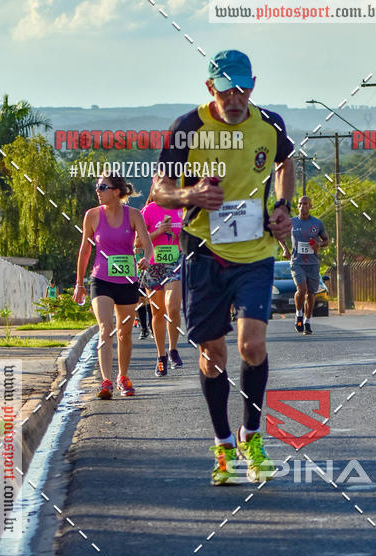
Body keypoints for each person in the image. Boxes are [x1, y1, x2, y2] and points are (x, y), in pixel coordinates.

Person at [154, 49, 294, 484]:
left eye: (243, 88)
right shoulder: (188, 128)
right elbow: (158, 190)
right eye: (226, 89)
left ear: (253, 85)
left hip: (256, 251)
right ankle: (223, 445)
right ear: (210, 87)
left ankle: (252, 436)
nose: (236, 98)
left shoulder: (269, 123)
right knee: (212, 353)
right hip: (204, 251)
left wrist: (282, 205)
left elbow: (286, 162)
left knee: (252, 344)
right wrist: (189, 196)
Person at [73, 176, 152, 398]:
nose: (97, 191)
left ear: (116, 191)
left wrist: (146, 258)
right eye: (97, 187)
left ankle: (123, 377)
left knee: (124, 334)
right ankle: (106, 381)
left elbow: (147, 245)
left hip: (127, 281)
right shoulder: (92, 215)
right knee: (105, 328)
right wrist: (79, 283)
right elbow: (85, 251)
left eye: (102, 187)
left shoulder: (134, 215)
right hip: (101, 280)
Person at [140, 182, 184, 375]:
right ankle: (161, 356)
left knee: (173, 307)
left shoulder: (181, 208)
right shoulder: (148, 211)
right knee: (158, 312)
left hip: (176, 261)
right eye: (161, 183)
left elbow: (192, 235)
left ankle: (173, 349)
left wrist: (179, 233)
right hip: (154, 264)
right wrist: (158, 232)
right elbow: (136, 242)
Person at [281, 196, 328, 335]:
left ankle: (307, 322)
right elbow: (279, 236)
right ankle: (298, 314)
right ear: (298, 206)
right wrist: (285, 249)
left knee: (311, 294)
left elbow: (326, 240)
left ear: (310, 206)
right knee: (301, 290)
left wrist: (319, 244)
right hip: (297, 262)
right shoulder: (291, 222)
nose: (302, 206)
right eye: (300, 204)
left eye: (305, 204)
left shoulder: (317, 223)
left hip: (313, 263)